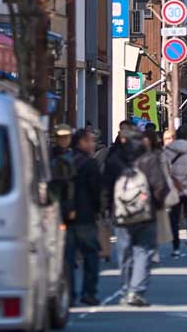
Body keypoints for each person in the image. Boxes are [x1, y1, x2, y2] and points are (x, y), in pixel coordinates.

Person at [102, 119, 169, 307]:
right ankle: (136, 290)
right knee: (144, 251)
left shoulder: (114, 160)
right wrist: (157, 205)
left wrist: (108, 209)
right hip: (146, 214)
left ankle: (125, 289)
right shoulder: (148, 159)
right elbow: (160, 186)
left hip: (121, 213)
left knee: (124, 253)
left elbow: (106, 187)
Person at [65, 128, 104, 307]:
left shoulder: (64, 162)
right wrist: (99, 210)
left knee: (68, 258)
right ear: (81, 143)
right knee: (91, 255)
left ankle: (69, 295)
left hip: (65, 217)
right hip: (86, 216)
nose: (92, 144)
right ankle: (89, 293)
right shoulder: (89, 164)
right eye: (89, 141)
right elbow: (97, 190)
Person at [163, 126, 187, 256]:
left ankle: (176, 247)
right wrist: (186, 182)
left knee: (174, 217)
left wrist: (174, 181)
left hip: (173, 188)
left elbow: (163, 168)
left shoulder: (167, 150)